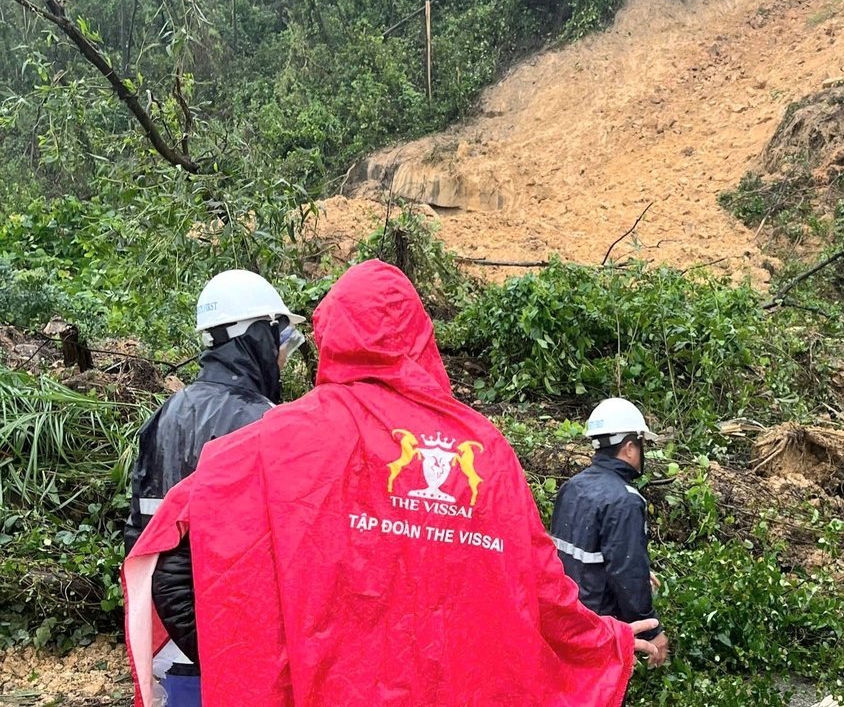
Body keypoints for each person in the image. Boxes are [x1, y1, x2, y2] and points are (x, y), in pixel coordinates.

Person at [123, 260, 661, 707]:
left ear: (332, 332)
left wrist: (259, 659)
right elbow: (539, 584)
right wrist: (607, 637)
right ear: (421, 336)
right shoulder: (485, 450)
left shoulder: (278, 439)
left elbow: (167, 553)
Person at [123, 269, 304, 706]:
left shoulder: (165, 415)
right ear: (258, 336)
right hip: (243, 646)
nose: (283, 357)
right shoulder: (268, 425)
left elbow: (142, 538)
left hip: (169, 641)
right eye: (282, 342)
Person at [550, 398, 670, 669]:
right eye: (641, 445)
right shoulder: (625, 500)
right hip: (600, 628)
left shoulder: (572, 487)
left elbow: (575, 552)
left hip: (565, 619)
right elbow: (626, 574)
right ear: (629, 448)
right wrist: (653, 632)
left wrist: (635, 566)